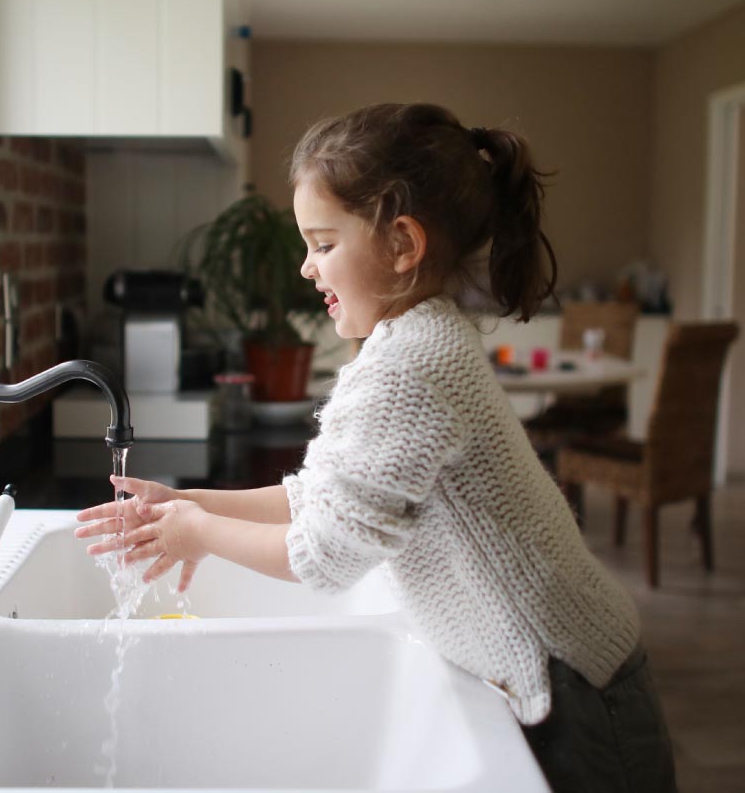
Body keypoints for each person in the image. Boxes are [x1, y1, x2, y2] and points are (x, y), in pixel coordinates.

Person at [74, 102, 676, 792]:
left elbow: (323, 555)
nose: (306, 267)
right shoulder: (412, 343)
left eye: (323, 244)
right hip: (571, 672)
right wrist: (186, 502)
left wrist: (200, 531)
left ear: (401, 244)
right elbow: (318, 497)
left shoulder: (409, 367)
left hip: (572, 691)